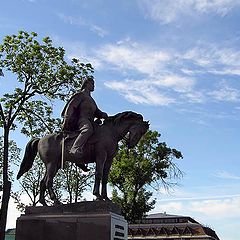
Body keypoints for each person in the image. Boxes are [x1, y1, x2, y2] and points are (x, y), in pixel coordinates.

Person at [61, 77, 108, 162]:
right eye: (92, 83)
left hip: (91, 121)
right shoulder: (80, 95)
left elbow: (96, 111)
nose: (94, 86)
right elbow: (70, 107)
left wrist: (102, 114)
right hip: (82, 120)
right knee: (87, 129)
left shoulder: (91, 100)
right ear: (86, 84)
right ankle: (75, 149)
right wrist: (66, 120)